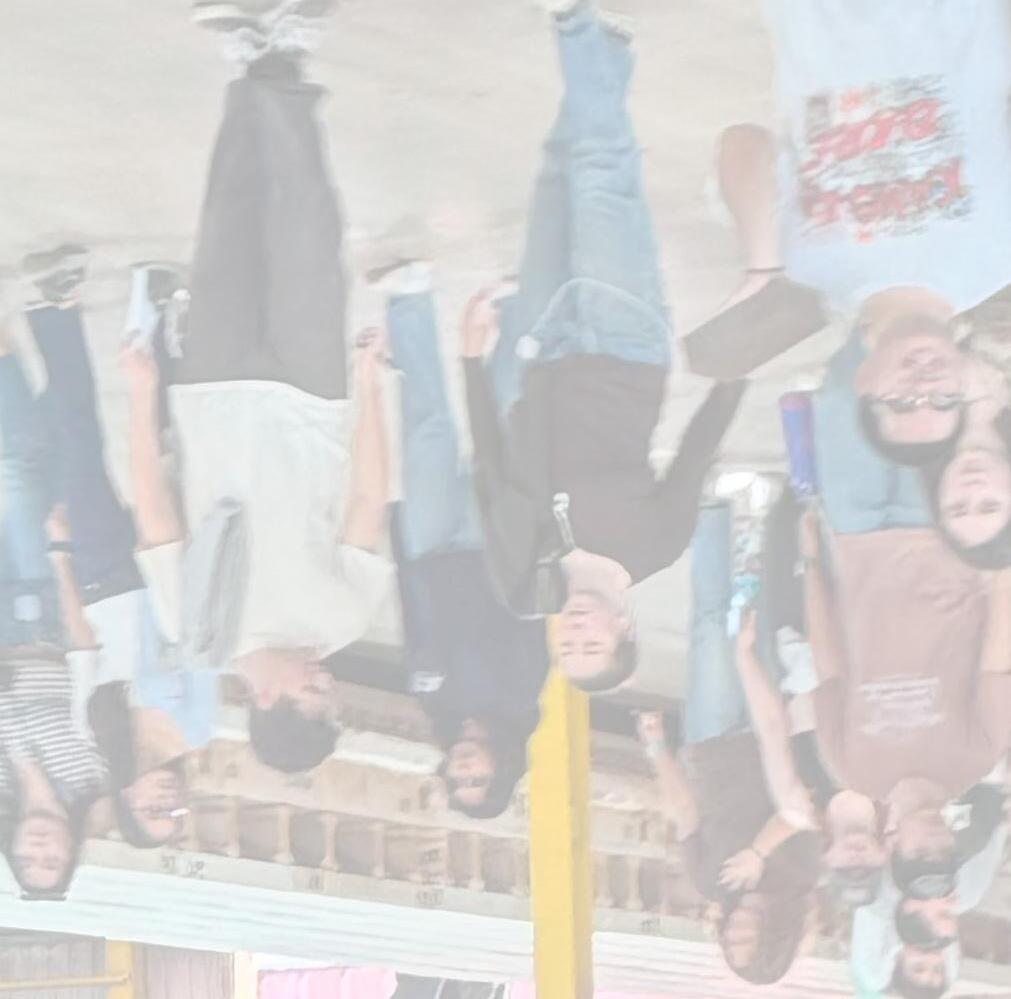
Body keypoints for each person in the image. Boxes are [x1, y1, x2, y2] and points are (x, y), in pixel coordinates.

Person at [125, 0, 395, 774]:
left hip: (211, 393)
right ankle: (289, 62)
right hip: (312, 397)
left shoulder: (196, 626)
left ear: (266, 698)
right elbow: (368, 499)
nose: (326, 682)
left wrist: (142, 396)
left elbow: (155, 511)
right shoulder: (343, 616)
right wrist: (369, 387)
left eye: (315, 696)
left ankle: (251, 69)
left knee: (229, 224)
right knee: (307, 232)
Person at [460, 0, 745, 693]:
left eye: (569, 647)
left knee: (559, 174)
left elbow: (490, 469)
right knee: (603, 174)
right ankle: (575, 22)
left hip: (541, 345)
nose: (577, 631)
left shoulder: (524, 573)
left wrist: (470, 362)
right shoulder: (656, 545)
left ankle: (608, 49)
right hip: (627, 346)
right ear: (625, 628)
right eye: (593, 643)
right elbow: (694, 457)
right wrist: (736, 369)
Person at [693, 0, 1011, 461]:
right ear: (964, 384)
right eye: (945, 400)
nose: (924, 387)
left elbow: (743, 141)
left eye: (901, 402)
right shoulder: (997, 259)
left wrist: (763, 265)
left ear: (863, 383)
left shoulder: (804, 273)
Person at [382, 268, 549, 820]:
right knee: (497, 422)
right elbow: (531, 607)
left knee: (425, 429)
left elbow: (412, 614)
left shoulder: (432, 700)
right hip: (488, 542)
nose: (465, 767)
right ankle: (520, 311)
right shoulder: (520, 694)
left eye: (458, 780)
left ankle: (409, 299)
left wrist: (399, 540)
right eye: (478, 778)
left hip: (427, 545)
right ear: (502, 768)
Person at [637, 502, 820, 986]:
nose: (736, 934)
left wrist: (657, 750)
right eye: (747, 944)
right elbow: (802, 809)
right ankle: (762, 516)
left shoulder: (711, 883)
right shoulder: (802, 876)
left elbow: (685, 815)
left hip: (711, 742)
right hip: (769, 730)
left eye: (731, 945)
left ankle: (711, 514)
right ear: (773, 938)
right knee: (756, 624)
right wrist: (758, 852)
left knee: (709, 623)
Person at [802, 503, 1011, 802]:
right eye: (944, 849)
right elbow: (997, 655)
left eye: (919, 850)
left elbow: (827, 664)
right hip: (943, 534)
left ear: (888, 830)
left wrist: (811, 561)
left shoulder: (850, 770)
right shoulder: (977, 758)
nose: (933, 839)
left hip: (854, 539)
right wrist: (1003, 553)